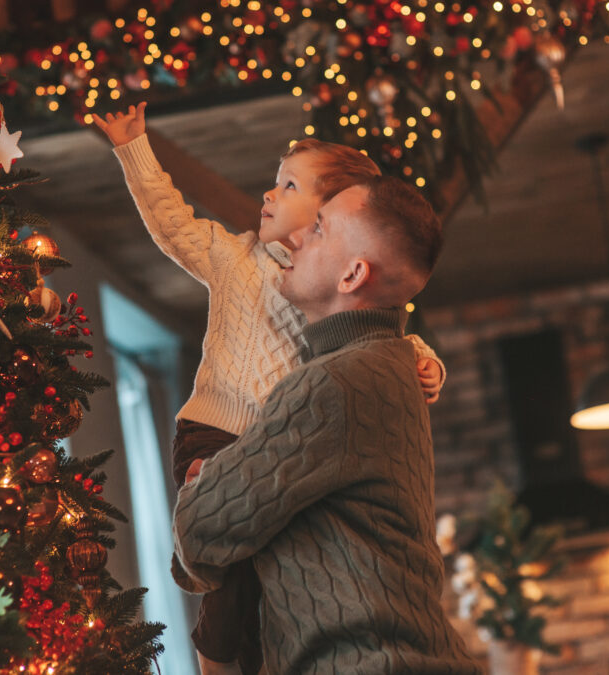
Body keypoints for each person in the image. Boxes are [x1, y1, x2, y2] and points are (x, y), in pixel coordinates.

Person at [94, 104, 448, 675]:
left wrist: (425, 360)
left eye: (290, 186)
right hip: (217, 428)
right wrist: (135, 149)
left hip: (274, 449)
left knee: (260, 575)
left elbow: (386, 333)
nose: (269, 192)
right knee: (233, 584)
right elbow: (172, 222)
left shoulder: (345, 356)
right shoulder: (239, 259)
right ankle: (214, 658)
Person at [173, 176, 483, 675]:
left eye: (318, 228)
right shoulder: (392, 366)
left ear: (353, 274)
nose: (295, 237)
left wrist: (207, 480)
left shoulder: (332, 384)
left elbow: (201, 529)